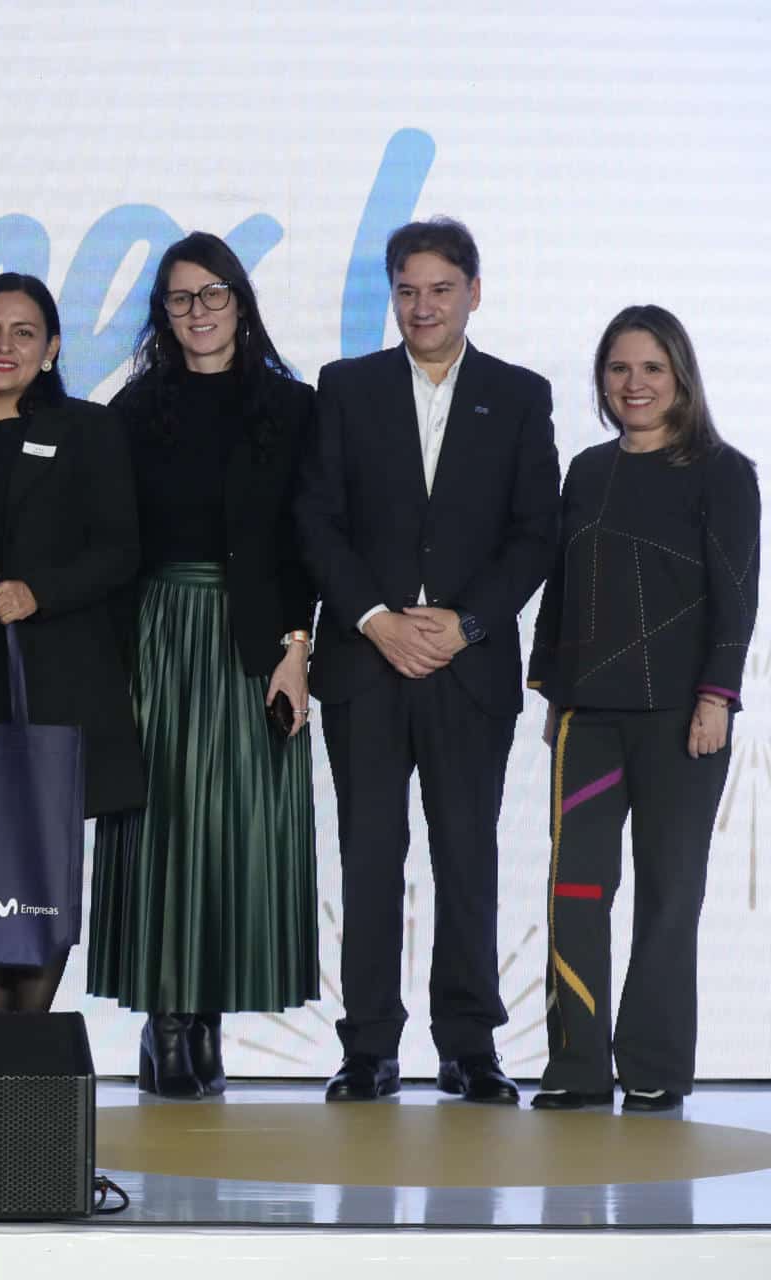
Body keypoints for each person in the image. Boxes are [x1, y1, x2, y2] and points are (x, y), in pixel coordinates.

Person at [297, 217, 559, 1105]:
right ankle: (367, 1048)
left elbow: (536, 534)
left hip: (468, 667)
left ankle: (469, 1047)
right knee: (370, 854)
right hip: (365, 664)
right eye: (407, 289)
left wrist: (467, 624)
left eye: (441, 289)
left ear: (473, 293)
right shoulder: (347, 386)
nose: (423, 306)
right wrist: (374, 618)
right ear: (391, 294)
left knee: (466, 855)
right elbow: (316, 519)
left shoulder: (521, 395)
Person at [88, 232, 319, 1098]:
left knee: (239, 825)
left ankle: (209, 1012)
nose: (199, 313)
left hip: (260, 641)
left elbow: (305, 544)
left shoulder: (292, 409)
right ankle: (169, 1018)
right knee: (163, 823)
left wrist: (299, 649)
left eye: (213, 294)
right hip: (158, 631)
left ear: (241, 302)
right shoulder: (132, 412)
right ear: (163, 312)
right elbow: (113, 543)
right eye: (182, 298)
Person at [527, 306, 758, 1113]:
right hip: (588, 720)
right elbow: (562, 592)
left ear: (681, 377)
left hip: (681, 723)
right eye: (620, 369)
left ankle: (655, 1064)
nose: (635, 384)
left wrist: (717, 698)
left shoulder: (724, 472)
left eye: (652, 369)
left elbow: (736, 597)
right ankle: (577, 1067)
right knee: (576, 892)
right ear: (602, 379)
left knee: (669, 892)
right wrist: (555, 694)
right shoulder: (587, 472)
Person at [0, 272, 142, 1014]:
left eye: (23, 332)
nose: (3, 346)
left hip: (54, 672)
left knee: (40, 858)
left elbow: (121, 548)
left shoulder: (89, 428)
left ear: (53, 347)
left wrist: (40, 591)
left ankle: (27, 1045)